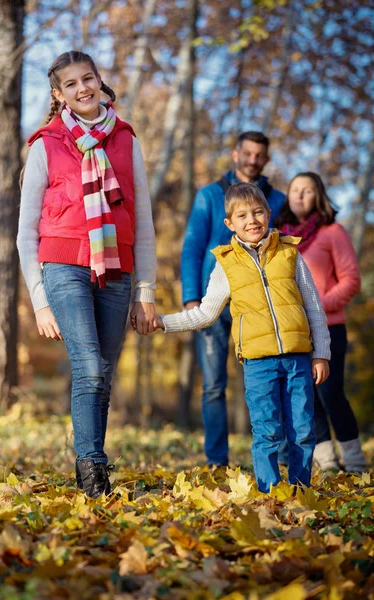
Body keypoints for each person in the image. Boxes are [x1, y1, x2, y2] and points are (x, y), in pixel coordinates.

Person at [17, 50, 158, 498]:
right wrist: (39, 299)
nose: (83, 88)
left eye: (89, 78)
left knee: (104, 374)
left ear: (100, 81)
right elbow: (25, 233)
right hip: (62, 266)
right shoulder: (45, 144)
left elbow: (145, 223)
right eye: (72, 84)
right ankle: (93, 471)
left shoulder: (126, 140)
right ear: (58, 96)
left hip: (117, 267)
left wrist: (146, 291)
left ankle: (91, 460)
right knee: (90, 370)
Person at [154, 182, 331, 493]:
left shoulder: (289, 253)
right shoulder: (226, 265)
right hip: (258, 364)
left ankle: (301, 490)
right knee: (268, 431)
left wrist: (322, 354)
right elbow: (205, 314)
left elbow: (314, 306)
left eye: (258, 212)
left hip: (298, 359)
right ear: (229, 223)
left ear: (268, 213)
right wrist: (162, 322)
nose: (252, 220)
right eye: (242, 215)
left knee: (302, 430)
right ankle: (270, 492)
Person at [181, 132, 285, 468]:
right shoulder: (209, 196)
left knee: (271, 383)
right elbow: (192, 248)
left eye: (260, 155)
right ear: (235, 154)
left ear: (266, 159)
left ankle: (278, 458)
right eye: (248, 153)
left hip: (260, 305)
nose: (253, 160)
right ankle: (217, 461)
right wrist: (190, 298)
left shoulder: (278, 200)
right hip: (214, 301)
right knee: (213, 385)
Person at [276, 172, 367, 473]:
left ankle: (355, 462)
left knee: (330, 394)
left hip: (329, 328)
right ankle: (327, 463)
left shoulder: (332, 232)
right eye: (296, 190)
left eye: (309, 191)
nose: (301, 195)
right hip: (294, 331)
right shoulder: (279, 236)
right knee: (306, 396)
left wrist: (317, 306)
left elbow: (351, 281)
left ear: (319, 196)